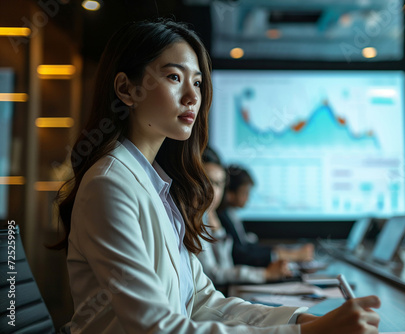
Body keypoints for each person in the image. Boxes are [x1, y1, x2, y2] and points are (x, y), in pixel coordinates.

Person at [55, 18, 380, 334]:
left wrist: (301, 322)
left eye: (197, 82)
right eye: (173, 77)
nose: (192, 96)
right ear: (127, 89)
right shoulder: (109, 185)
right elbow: (157, 329)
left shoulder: (156, 186)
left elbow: (202, 301)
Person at [198, 147, 291, 285]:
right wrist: (265, 274)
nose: (211, 191)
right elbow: (213, 275)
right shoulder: (194, 219)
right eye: (207, 181)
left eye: (218, 184)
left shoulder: (209, 217)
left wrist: (218, 230)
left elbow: (225, 266)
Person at [218, 165, 315, 267]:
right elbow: (240, 254)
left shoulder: (231, 214)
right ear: (229, 194)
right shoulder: (222, 218)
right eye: (245, 193)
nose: (247, 198)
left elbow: (246, 246)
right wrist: (286, 255)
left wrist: (278, 250)